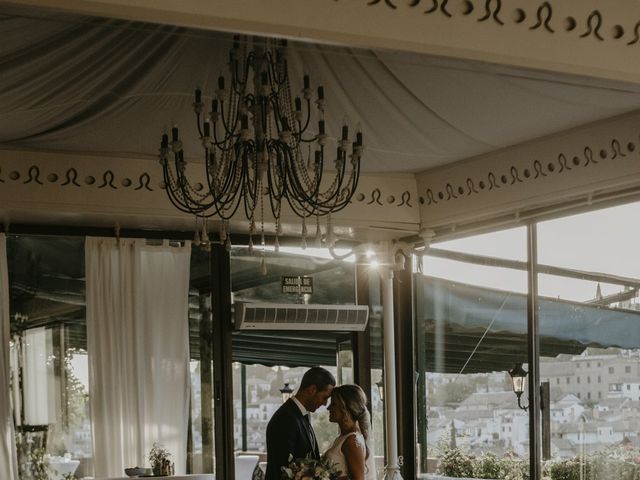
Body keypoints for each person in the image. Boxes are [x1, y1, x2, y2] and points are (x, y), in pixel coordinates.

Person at [265, 366, 336, 480]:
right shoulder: (286, 418)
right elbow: (283, 469)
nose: (325, 404)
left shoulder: (299, 415)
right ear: (312, 389)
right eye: (324, 397)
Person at [325, 384, 376, 480]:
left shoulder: (352, 440)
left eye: (333, 404)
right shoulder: (344, 437)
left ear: (346, 408)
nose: (328, 408)